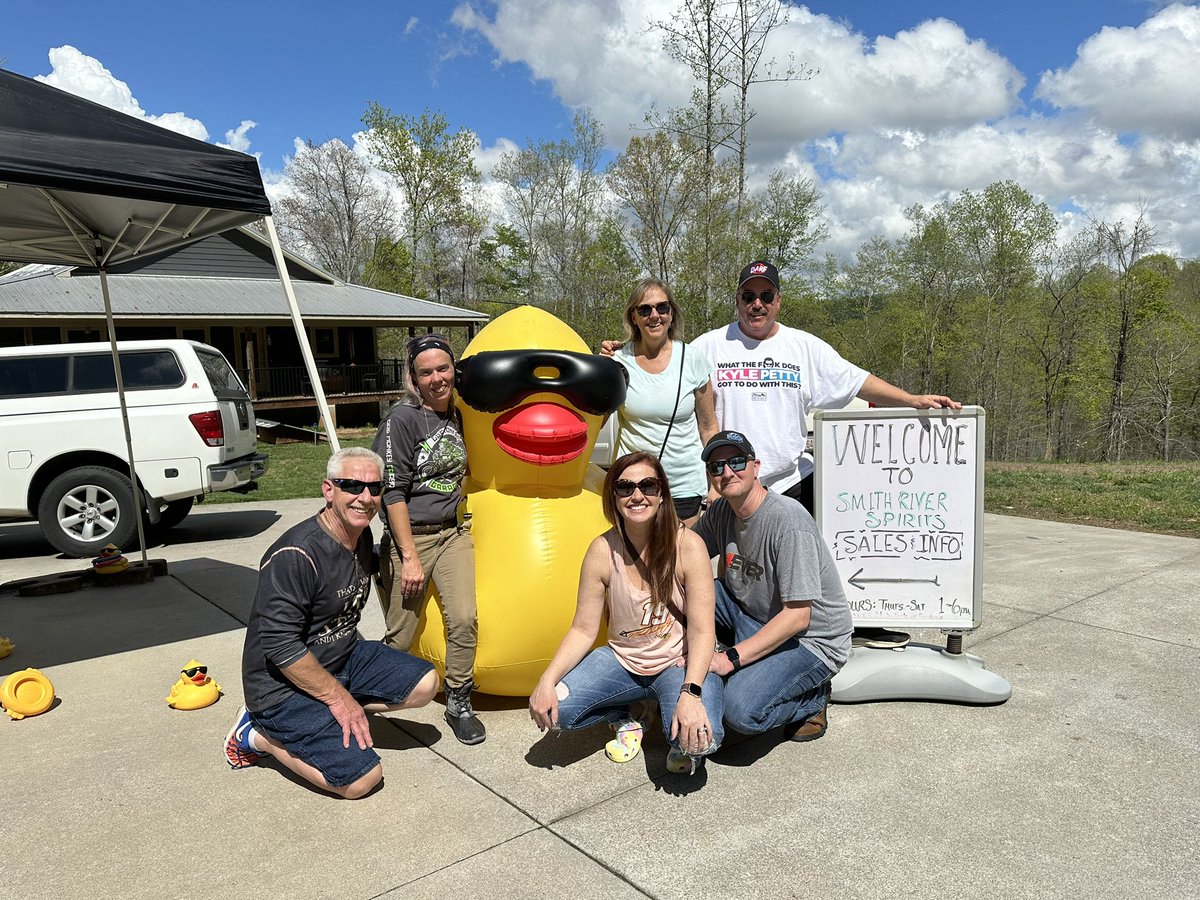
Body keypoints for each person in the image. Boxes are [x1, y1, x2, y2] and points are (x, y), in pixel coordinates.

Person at [691, 260, 961, 648]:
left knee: (812, 569)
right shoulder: (709, 346)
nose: (757, 304)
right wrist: (624, 352)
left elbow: (857, 381)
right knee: (738, 571)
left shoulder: (803, 346)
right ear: (737, 300)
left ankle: (841, 629)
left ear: (778, 301)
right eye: (749, 296)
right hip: (732, 483)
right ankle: (741, 639)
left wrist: (911, 399)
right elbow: (666, 366)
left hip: (791, 483)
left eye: (766, 296)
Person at [223, 447, 439, 799]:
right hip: (279, 687)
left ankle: (328, 709)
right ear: (328, 489)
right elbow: (281, 645)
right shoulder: (296, 554)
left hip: (341, 657)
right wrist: (338, 699)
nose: (365, 497)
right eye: (351, 485)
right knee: (361, 780)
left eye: (374, 488)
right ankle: (255, 733)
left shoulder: (361, 536)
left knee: (426, 683)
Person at [529, 452, 724, 775]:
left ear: (661, 494)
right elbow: (582, 629)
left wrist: (690, 692)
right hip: (622, 661)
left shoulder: (688, 546)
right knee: (556, 711)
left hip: (678, 662)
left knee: (701, 739)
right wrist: (546, 680)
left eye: (648, 486)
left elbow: (703, 631)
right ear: (613, 497)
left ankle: (673, 714)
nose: (637, 496)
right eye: (624, 488)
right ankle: (629, 715)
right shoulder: (602, 550)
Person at [694, 430, 852, 742]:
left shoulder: (788, 521)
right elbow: (683, 553)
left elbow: (797, 617)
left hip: (811, 640)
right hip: (753, 615)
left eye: (736, 462)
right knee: (688, 593)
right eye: (716, 467)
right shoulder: (720, 513)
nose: (727, 472)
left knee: (739, 711)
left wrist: (729, 659)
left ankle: (812, 699)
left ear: (756, 466)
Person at [372, 333, 485, 745]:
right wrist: (409, 557)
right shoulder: (401, 420)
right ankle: (366, 695)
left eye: (443, 368)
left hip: (453, 533)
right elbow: (392, 491)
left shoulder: (459, 414)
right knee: (401, 635)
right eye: (426, 372)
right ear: (413, 379)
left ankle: (458, 699)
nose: (437, 378)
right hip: (412, 540)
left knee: (464, 618)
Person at [609, 278, 718, 525]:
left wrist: (716, 483)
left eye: (662, 308)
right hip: (633, 487)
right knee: (635, 563)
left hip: (683, 485)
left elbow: (709, 428)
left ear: (671, 313)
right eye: (644, 309)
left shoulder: (692, 359)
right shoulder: (617, 362)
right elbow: (594, 417)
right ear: (633, 317)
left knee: (681, 560)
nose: (654, 315)